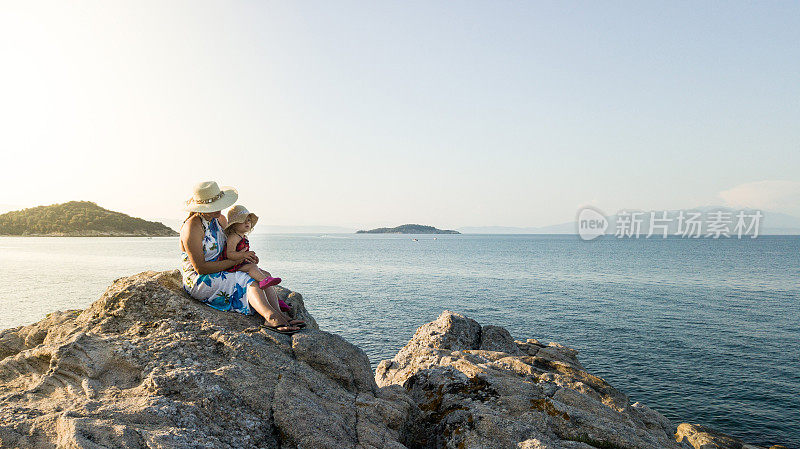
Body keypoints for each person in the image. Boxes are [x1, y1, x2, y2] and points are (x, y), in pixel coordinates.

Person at [179, 181, 303, 334]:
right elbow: (201, 268)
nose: (219, 210)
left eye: (219, 204)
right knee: (248, 281)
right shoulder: (192, 227)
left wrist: (246, 257)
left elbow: (231, 246)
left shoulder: (220, 220)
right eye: (213, 207)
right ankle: (271, 318)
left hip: (222, 267)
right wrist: (237, 261)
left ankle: (280, 315)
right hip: (201, 279)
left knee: (264, 276)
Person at [220, 205, 292, 313]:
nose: (247, 223)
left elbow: (244, 253)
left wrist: (252, 258)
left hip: (241, 263)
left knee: (266, 273)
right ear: (234, 225)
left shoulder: (244, 237)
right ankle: (264, 283)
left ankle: (276, 300)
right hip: (232, 266)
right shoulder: (233, 237)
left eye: (248, 220)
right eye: (243, 221)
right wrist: (244, 256)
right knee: (253, 269)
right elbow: (230, 254)